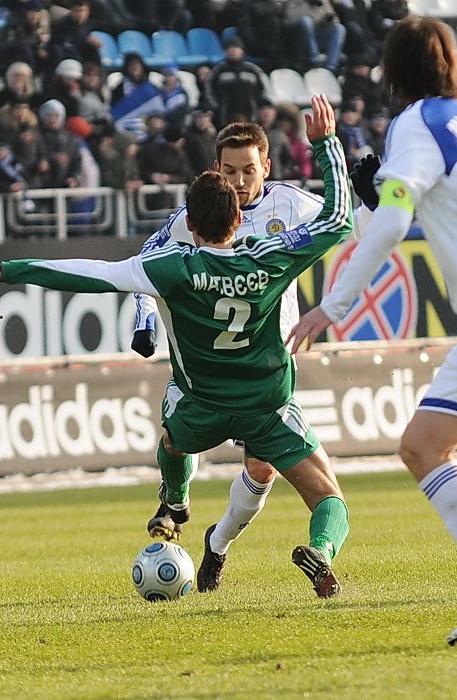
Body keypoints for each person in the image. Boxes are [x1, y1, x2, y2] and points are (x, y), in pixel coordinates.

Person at [0, 95, 353, 599]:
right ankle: (321, 549)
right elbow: (340, 220)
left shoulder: (172, 269)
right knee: (328, 496)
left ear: (191, 224)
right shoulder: (272, 258)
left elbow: (92, 273)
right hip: (267, 403)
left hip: (202, 403)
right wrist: (327, 145)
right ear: (237, 221)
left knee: (171, 440)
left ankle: (178, 502)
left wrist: (9, 269)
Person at [287, 17, 457, 646]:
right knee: (424, 445)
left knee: (426, 448)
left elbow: (397, 220)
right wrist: (380, 189)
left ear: (392, 71)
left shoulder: (415, 123)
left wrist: (333, 305)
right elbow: (428, 201)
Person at [131, 115, 378, 594]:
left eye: (248, 170)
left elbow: (348, 229)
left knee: (259, 470)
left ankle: (217, 542)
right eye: (229, 171)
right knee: (182, 438)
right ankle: (177, 501)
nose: (240, 182)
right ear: (216, 169)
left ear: (266, 166)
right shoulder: (196, 216)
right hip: (209, 368)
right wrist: (146, 321)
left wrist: (369, 203)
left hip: (266, 367)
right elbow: (144, 263)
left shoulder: (293, 204)